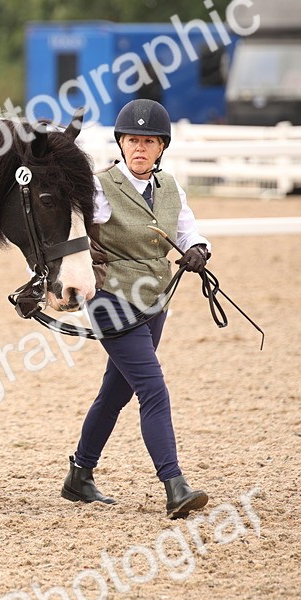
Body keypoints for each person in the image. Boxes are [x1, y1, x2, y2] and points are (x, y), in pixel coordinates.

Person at [62, 98, 212, 519]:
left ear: (161, 146)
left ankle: (79, 475)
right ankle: (174, 484)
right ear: (121, 143)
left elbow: (188, 230)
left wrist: (198, 250)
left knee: (116, 392)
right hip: (110, 299)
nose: (139, 148)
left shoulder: (170, 188)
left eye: (148, 141)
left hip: (154, 299)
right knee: (152, 388)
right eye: (132, 140)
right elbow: (67, 229)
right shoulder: (99, 187)